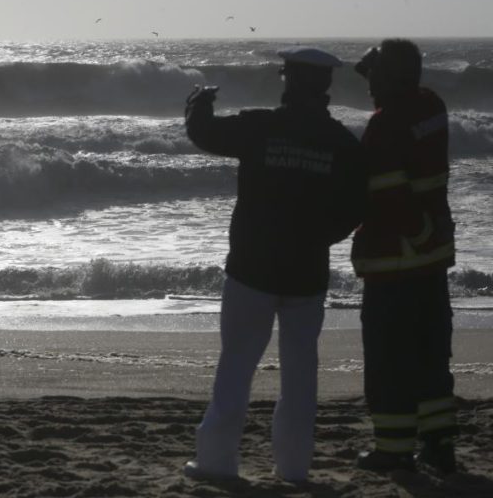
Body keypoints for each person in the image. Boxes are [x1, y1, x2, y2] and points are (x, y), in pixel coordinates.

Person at [183, 47, 366, 482]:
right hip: (306, 274)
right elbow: (359, 201)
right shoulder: (339, 141)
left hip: (252, 268)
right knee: (301, 378)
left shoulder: (261, 127)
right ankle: (294, 469)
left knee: (236, 368)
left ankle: (215, 462)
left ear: (287, 79)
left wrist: (198, 102)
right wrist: (324, 236)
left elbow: (205, 134)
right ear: (325, 85)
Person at [351, 39, 458, 474]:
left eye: (376, 74)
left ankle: (393, 451)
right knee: (431, 356)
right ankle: (438, 446)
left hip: (393, 266)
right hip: (431, 261)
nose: (368, 81)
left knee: (389, 360)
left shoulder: (385, 126)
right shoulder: (432, 107)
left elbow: (391, 195)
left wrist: (418, 233)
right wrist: (430, 236)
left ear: (392, 78)